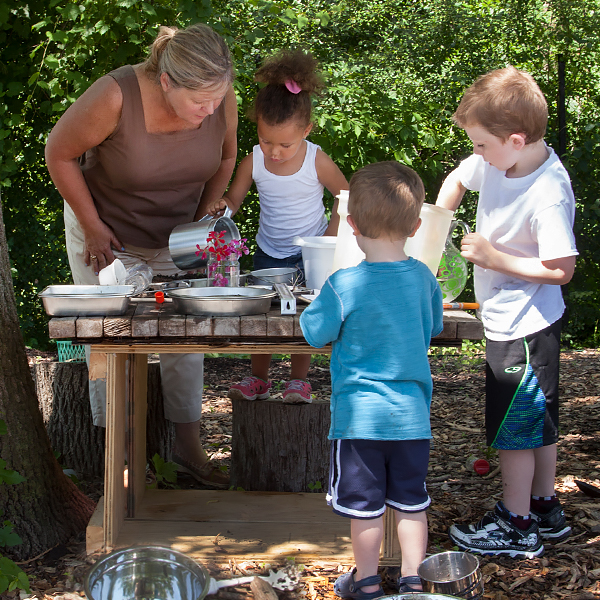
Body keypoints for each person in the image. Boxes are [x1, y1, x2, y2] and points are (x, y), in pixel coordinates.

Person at [45, 23, 238, 488]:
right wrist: (92, 227)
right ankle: (123, 464)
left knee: (186, 340)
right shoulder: (115, 96)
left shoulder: (219, 95)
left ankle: (189, 452)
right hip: (106, 233)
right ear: (168, 82)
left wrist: (203, 218)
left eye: (217, 100)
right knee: (112, 341)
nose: (211, 110)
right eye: (200, 103)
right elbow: (58, 152)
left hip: (178, 233)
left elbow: (228, 158)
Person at [436, 66, 578, 558]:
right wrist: (438, 226)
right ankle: (545, 508)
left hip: (525, 324)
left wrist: (495, 259)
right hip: (511, 317)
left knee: (516, 427)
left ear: (516, 140)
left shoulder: (547, 193)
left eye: (480, 145)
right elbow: (458, 179)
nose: (476, 155)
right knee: (538, 419)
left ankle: (517, 526)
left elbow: (562, 268)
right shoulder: (500, 161)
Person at [300, 161, 444, 597]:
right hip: (412, 419)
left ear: (351, 223)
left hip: (359, 421)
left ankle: (365, 583)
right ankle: (412, 580)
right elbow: (432, 325)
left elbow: (313, 332)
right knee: (411, 502)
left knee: (364, 509)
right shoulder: (423, 278)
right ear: (416, 225)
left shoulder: (344, 284)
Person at [207, 49, 348, 404]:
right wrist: (224, 206)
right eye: (267, 140)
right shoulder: (253, 160)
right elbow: (235, 200)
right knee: (264, 314)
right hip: (269, 250)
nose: (275, 152)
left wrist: (330, 236)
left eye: (285, 143)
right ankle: (259, 378)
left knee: (305, 315)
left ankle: (299, 380)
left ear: (307, 130)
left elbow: (346, 195)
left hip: (310, 253)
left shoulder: (316, 159)